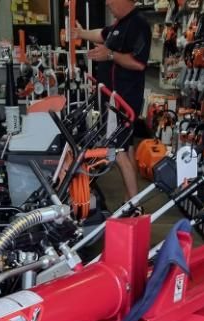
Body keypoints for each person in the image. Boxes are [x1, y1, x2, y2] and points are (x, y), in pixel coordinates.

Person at [73, 0, 152, 202]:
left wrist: (109, 54)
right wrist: (81, 34)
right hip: (114, 98)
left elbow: (138, 63)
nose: (107, 2)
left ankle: (133, 207)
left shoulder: (139, 25)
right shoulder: (120, 24)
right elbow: (101, 33)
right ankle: (131, 198)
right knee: (126, 148)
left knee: (116, 151)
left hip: (124, 99)